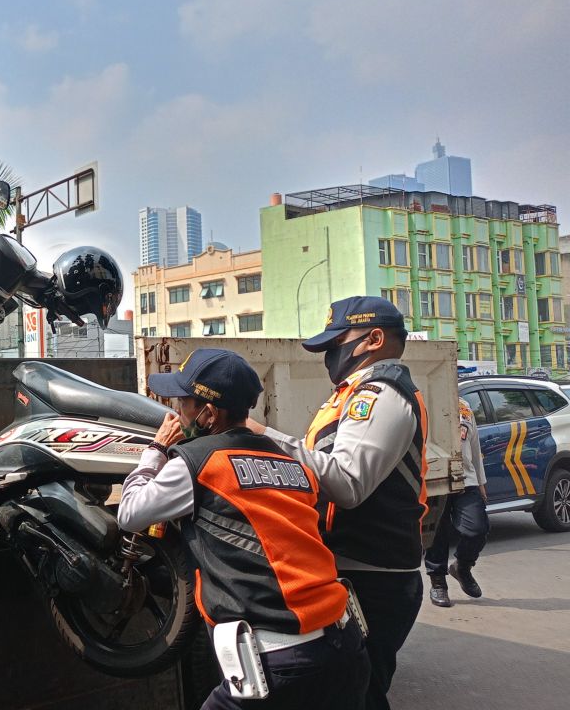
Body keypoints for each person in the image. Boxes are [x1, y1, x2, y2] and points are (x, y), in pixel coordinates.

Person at [119, 348, 369, 710]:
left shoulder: (198, 462)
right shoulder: (290, 461)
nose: (177, 410)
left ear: (209, 413)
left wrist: (156, 449)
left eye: (184, 402)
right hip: (343, 646)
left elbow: (130, 513)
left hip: (279, 665)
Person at [247, 296, 428, 710]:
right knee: (345, 690)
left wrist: (264, 437)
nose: (331, 354)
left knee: (359, 694)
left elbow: (347, 483)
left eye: (337, 342)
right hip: (351, 568)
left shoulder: (382, 395)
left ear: (374, 338)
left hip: (374, 576)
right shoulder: (350, 394)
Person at [425, 397, 488, 606]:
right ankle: (438, 583)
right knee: (437, 533)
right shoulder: (423, 399)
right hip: (434, 477)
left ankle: (462, 567)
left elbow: (474, 444)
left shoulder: (464, 406)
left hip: (465, 479)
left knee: (477, 529)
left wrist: (481, 481)